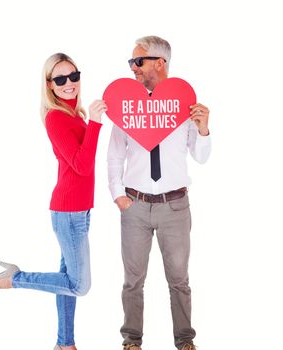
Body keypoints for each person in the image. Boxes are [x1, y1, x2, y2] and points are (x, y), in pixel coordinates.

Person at [0, 52, 107, 350]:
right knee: (80, 285)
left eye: (74, 76)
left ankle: (65, 344)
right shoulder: (55, 118)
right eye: (61, 79)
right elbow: (81, 165)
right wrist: (95, 124)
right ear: (49, 85)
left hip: (79, 209)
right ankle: (14, 279)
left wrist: (89, 121)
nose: (69, 84)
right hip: (68, 211)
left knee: (68, 279)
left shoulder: (73, 115)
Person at [107, 36, 211, 350]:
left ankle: (184, 341)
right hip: (135, 205)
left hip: (175, 205)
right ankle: (132, 341)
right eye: (131, 62)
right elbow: (115, 154)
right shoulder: (128, 106)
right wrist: (117, 194)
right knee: (133, 280)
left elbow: (201, 156)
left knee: (179, 280)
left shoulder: (183, 103)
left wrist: (204, 129)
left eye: (137, 61)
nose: (133, 68)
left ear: (159, 63)